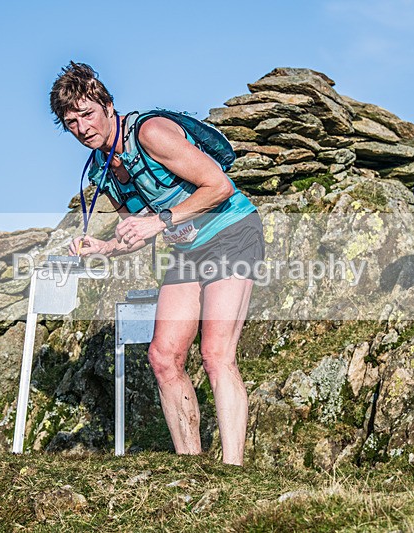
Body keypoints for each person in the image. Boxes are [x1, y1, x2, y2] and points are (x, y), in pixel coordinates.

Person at [50, 62, 264, 465]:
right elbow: (135, 230)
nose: (81, 127)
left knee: (216, 354)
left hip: (232, 233)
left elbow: (219, 185)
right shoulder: (101, 167)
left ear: (108, 106)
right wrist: (103, 247)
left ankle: (234, 471)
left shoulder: (150, 133)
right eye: (70, 121)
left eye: (87, 114)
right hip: (188, 249)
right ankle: (191, 464)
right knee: (163, 356)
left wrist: (161, 221)